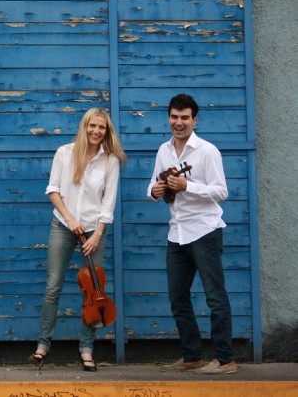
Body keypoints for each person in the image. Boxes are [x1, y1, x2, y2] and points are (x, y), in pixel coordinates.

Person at [29, 108, 126, 372]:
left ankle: (86, 349)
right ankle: (42, 346)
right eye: (92, 126)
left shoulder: (110, 161)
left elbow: (108, 202)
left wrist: (97, 234)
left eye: (102, 128)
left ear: (107, 132)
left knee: (93, 291)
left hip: (95, 231)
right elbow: (53, 190)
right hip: (63, 226)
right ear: (84, 127)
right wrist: (71, 220)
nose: (96, 131)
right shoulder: (65, 153)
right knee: (53, 286)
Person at [147, 93, 237, 375]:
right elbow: (153, 184)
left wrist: (189, 186)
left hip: (205, 231)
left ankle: (225, 359)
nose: (179, 122)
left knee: (215, 297)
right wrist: (154, 191)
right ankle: (192, 357)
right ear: (169, 118)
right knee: (178, 297)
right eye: (174, 117)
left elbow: (221, 191)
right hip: (177, 233)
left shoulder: (207, 151)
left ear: (194, 120)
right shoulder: (164, 150)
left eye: (185, 117)